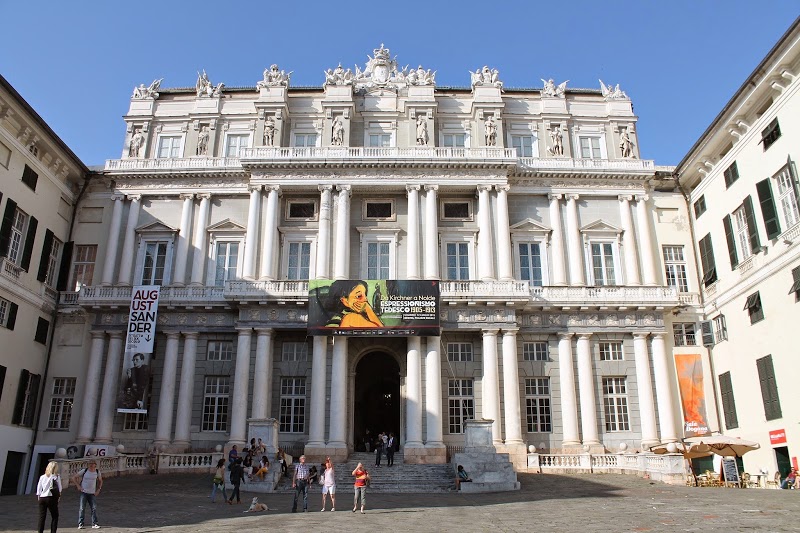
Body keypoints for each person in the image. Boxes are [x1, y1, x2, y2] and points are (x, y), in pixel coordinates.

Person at [71, 460, 102, 529]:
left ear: (95, 465)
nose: (91, 465)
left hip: (92, 493)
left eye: (92, 464)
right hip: (84, 492)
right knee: (82, 508)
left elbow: (100, 481)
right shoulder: (84, 471)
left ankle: (95, 523)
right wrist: (78, 486)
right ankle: (80, 523)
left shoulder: (97, 472)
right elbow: (73, 478)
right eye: (89, 464)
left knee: (94, 508)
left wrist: (98, 489)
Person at [36, 460, 62, 533]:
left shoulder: (42, 477)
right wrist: (59, 497)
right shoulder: (56, 477)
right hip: (51, 497)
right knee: (55, 516)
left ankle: (40, 531)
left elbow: (39, 488)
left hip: (42, 498)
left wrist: (39, 497)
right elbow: (59, 488)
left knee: (42, 517)